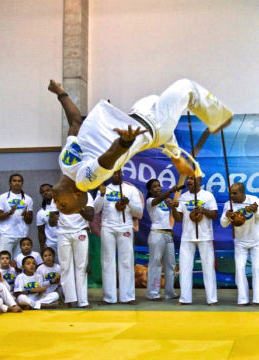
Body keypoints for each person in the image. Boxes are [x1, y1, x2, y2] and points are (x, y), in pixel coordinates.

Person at [48, 78, 233, 215]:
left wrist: (61, 94)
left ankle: (174, 151)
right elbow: (108, 158)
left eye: (58, 206)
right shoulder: (85, 181)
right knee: (186, 87)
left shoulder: (65, 164)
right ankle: (219, 117)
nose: (56, 203)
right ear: (78, 196)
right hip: (155, 126)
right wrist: (124, 142)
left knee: (153, 98)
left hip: (137, 113)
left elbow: (75, 123)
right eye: (63, 205)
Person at [94, 170, 143, 305]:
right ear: (111, 175)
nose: (117, 175)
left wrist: (129, 203)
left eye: (119, 173)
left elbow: (139, 212)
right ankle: (109, 297)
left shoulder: (130, 189)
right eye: (114, 173)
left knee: (126, 262)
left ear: (122, 174)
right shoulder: (105, 189)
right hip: (108, 227)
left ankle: (127, 296)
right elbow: (96, 209)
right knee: (107, 261)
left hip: (125, 227)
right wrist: (102, 194)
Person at [220, 182, 259, 306]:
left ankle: (257, 299)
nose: (232, 196)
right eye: (230, 193)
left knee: (257, 268)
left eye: (235, 193)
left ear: (243, 193)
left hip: (257, 241)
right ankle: (243, 299)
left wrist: (256, 210)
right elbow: (223, 224)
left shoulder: (254, 200)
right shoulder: (228, 204)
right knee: (240, 269)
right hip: (240, 242)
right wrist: (226, 216)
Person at [176, 177, 218, 305]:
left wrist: (203, 210)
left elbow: (215, 215)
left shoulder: (208, 196)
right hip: (187, 237)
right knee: (184, 268)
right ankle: (185, 298)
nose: (189, 181)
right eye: (188, 179)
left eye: (192, 179)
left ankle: (212, 299)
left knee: (208, 268)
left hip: (205, 237)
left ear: (199, 181)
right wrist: (173, 208)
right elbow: (178, 218)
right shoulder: (182, 197)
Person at [49, 194, 94, 308]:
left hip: (80, 231)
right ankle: (69, 299)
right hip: (63, 233)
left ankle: (83, 301)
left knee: (81, 267)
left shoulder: (86, 195)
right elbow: (51, 221)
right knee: (65, 267)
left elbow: (90, 216)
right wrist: (53, 219)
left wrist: (79, 208)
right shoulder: (58, 194)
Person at [145, 179, 182, 301]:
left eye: (159, 186)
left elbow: (175, 219)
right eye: (155, 187)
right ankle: (154, 293)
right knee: (155, 265)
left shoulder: (166, 202)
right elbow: (157, 200)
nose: (158, 188)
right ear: (150, 190)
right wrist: (171, 191)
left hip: (168, 235)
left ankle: (169, 292)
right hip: (157, 235)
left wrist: (173, 207)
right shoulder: (150, 201)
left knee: (171, 265)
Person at [0, 173, 34, 258]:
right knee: (4, 262)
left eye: (19, 181)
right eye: (14, 181)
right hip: (7, 235)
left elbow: (30, 221)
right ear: (10, 183)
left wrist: (26, 215)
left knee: (20, 263)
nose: (17, 183)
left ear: (22, 183)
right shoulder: (3, 197)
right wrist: (9, 213)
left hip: (22, 236)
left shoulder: (28, 199)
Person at [37, 183, 60, 262]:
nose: (45, 193)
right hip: (51, 244)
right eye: (43, 192)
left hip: (64, 240)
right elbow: (41, 232)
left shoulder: (62, 207)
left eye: (48, 190)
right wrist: (42, 248)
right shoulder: (41, 213)